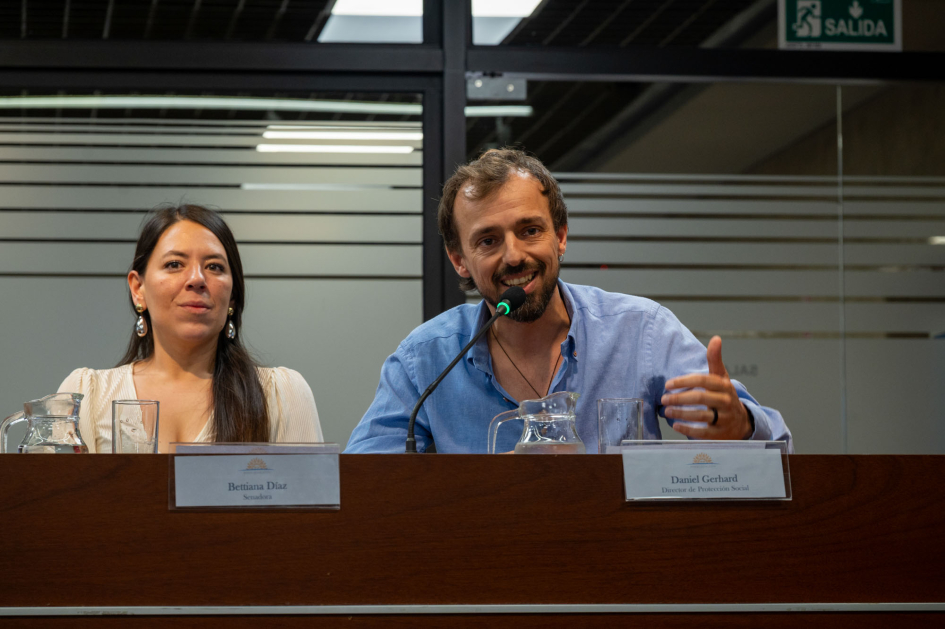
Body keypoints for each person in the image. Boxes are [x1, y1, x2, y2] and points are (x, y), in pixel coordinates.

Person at [346, 149, 792, 454]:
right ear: (460, 260)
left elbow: (778, 449)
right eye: (488, 240)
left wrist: (739, 429)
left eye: (530, 230)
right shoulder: (426, 360)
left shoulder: (642, 331)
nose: (514, 254)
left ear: (560, 236)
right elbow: (362, 484)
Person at [59, 204, 322, 453]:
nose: (197, 279)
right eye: (174, 264)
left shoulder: (281, 395)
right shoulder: (85, 396)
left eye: (214, 267)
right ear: (138, 289)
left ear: (232, 296)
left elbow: (310, 498)